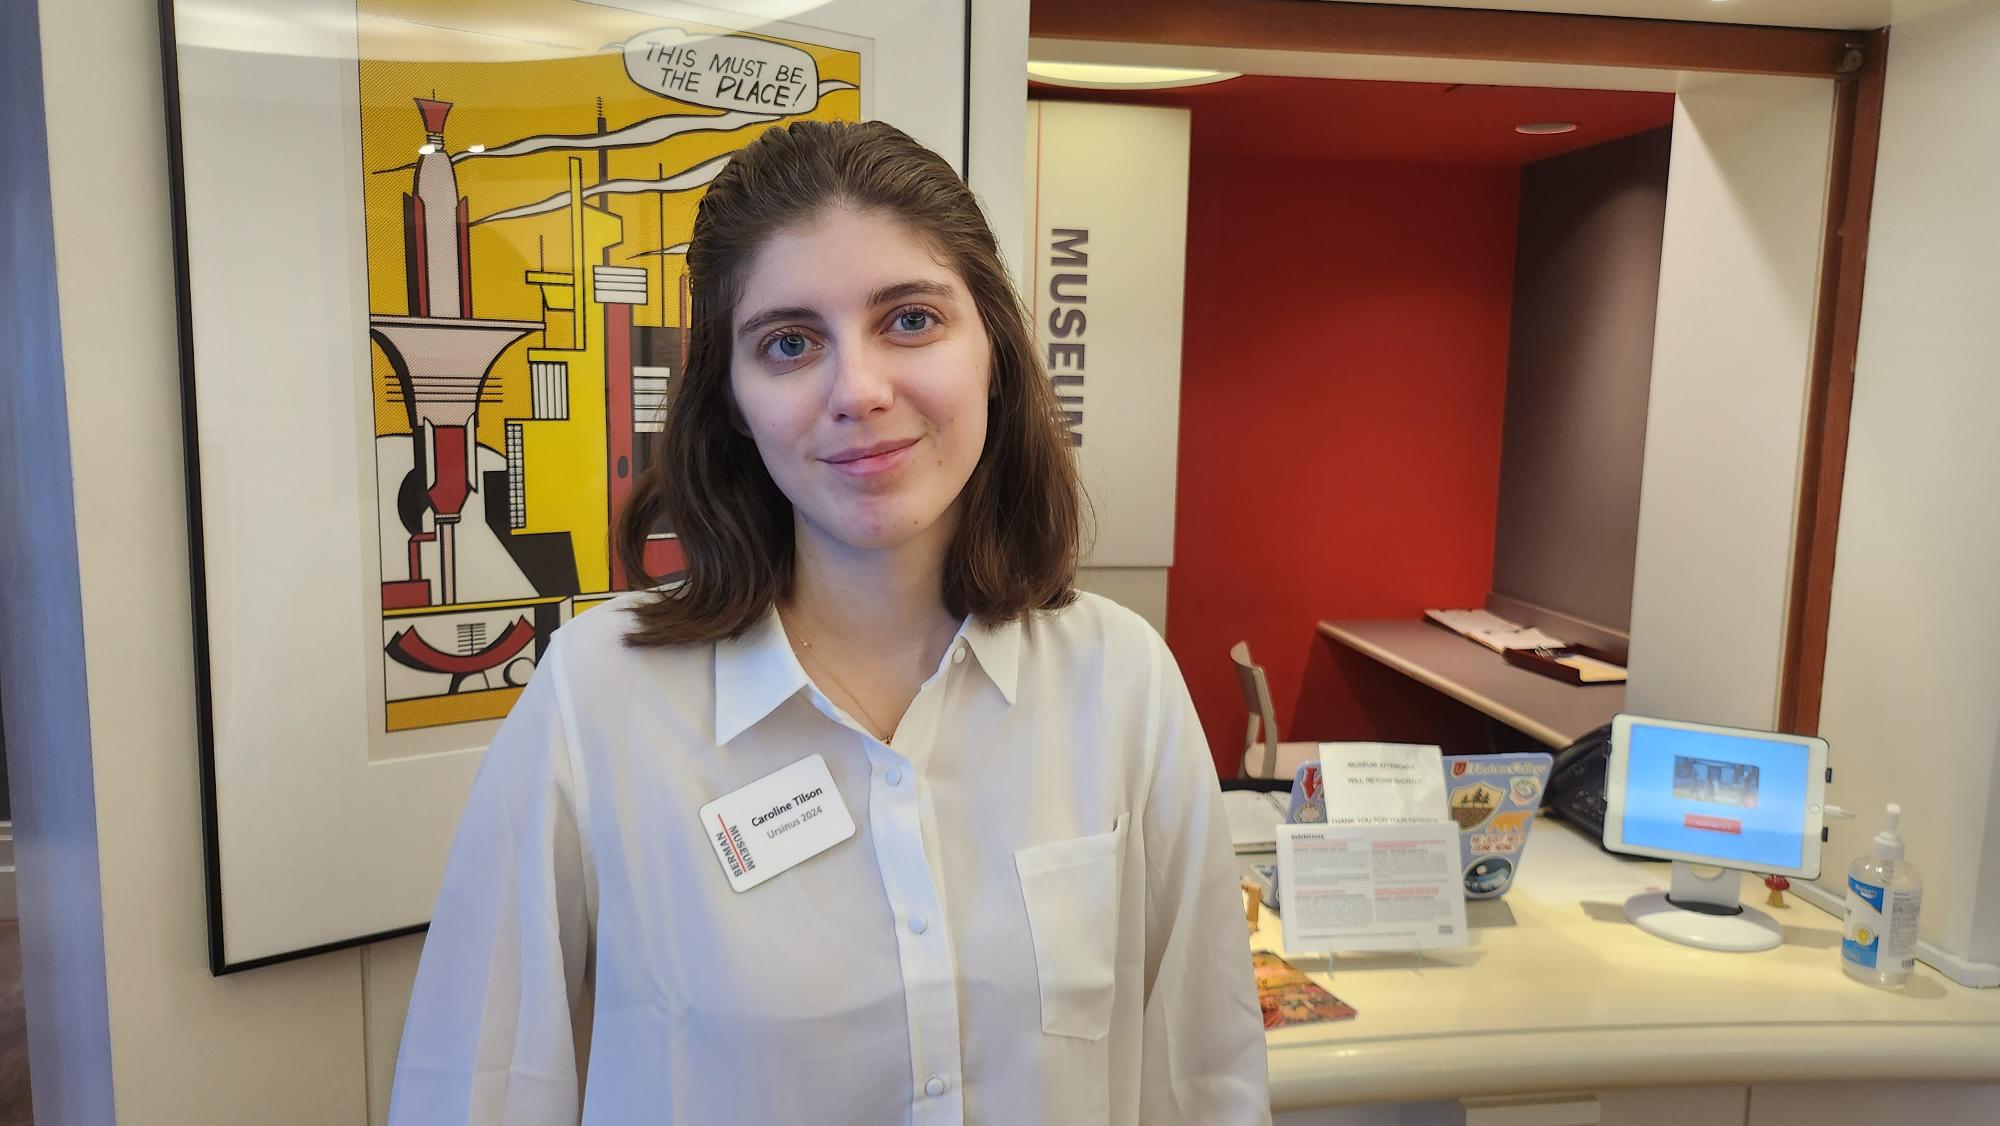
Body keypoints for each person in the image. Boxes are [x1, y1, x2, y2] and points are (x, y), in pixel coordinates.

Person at [388, 119, 1270, 1126]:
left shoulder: (1118, 681)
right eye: (790, 343)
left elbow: (1202, 1079)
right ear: (731, 399)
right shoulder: (601, 698)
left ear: (993, 352)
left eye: (909, 321)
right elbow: (478, 1088)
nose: (857, 390)